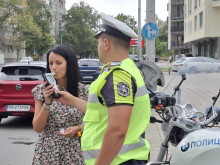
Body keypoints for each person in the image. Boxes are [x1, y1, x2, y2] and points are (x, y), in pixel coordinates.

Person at [56, 13, 151, 165]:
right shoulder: (122, 70)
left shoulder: (119, 76)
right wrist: (72, 100)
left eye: (98, 44)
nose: (98, 48)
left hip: (118, 161)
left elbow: (117, 130)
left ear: (106, 44)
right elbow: (102, 112)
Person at [32, 44, 89, 165]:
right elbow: (37, 128)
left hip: (73, 150)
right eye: (51, 63)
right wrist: (47, 102)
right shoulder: (41, 90)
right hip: (47, 151)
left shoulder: (83, 91)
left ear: (69, 64)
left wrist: (79, 129)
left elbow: (97, 119)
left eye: (58, 63)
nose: (54, 68)